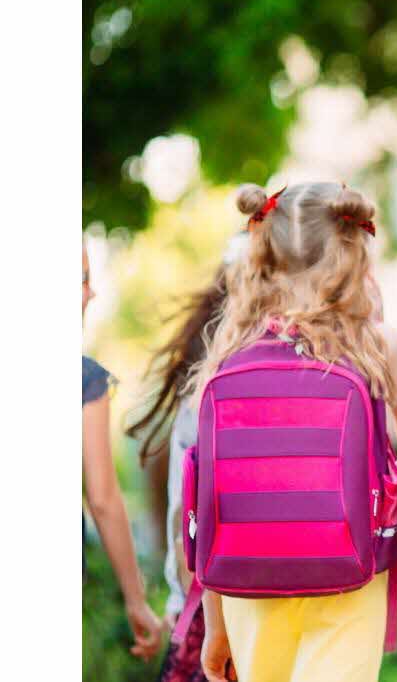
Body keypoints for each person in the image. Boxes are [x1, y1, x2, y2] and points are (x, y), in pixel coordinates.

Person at [193, 183, 397, 682]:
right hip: (349, 577)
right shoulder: (376, 345)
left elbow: (207, 496)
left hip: (248, 586)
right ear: (352, 254)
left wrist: (215, 625)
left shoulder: (228, 356)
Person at [125, 235, 247, 682]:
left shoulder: (206, 384)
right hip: (233, 602)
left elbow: (184, 516)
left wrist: (183, 598)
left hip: (214, 599)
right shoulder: (206, 389)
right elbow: (184, 517)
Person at [83, 245, 164, 663]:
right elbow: (102, 498)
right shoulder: (82, 379)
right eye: (81, 279)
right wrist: (136, 600)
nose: (92, 293)